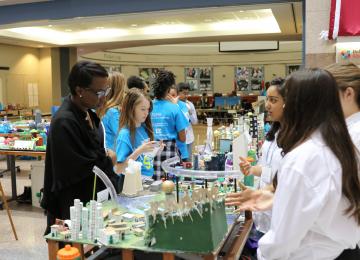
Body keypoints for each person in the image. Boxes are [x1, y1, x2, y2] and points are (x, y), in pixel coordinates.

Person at [256, 69, 360, 259]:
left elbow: (282, 240)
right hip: (341, 249)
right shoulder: (338, 143)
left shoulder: (304, 158)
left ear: (298, 105)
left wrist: (262, 254)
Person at [41, 61, 117, 234]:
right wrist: (108, 160)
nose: (104, 97)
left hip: (90, 197)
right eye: (99, 92)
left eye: (106, 91)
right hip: (72, 201)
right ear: (80, 90)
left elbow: (91, 151)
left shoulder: (87, 112)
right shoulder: (64, 121)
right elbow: (78, 168)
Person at [237, 78, 285, 235]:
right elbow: (267, 167)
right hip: (261, 211)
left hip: (277, 211)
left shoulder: (295, 138)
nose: (268, 105)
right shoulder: (274, 132)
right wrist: (251, 169)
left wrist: (257, 192)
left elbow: (283, 178)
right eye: (267, 100)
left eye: (273, 100)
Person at [151, 70, 189, 179]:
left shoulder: (147, 106)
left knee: (151, 187)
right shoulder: (174, 108)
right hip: (169, 154)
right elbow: (182, 138)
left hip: (150, 153)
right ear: (168, 89)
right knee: (170, 189)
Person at [115, 88, 159, 178]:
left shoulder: (145, 129)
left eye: (148, 109)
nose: (146, 113)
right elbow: (119, 169)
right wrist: (140, 151)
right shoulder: (125, 134)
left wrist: (155, 150)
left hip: (147, 179)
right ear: (131, 109)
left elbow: (145, 159)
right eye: (143, 109)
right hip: (132, 182)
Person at [97, 72, 126, 151]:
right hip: (112, 155)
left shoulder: (103, 108)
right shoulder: (113, 112)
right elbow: (123, 136)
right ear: (119, 89)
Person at [178, 82, 198, 157]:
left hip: (189, 137)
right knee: (178, 161)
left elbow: (195, 122)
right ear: (178, 92)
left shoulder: (190, 104)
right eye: (184, 93)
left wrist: (190, 113)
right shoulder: (174, 105)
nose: (186, 95)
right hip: (178, 138)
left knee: (188, 161)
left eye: (187, 93)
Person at [169, 85, 189, 161]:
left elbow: (185, 122)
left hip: (181, 149)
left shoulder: (182, 105)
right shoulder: (165, 106)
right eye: (169, 95)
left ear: (177, 96)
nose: (171, 98)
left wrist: (175, 106)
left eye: (173, 95)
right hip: (169, 150)